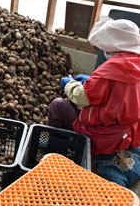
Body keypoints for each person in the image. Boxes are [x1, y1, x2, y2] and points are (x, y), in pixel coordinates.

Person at [48, 17, 140, 188]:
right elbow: (120, 92)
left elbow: (82, 97)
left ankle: (60, 153)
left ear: (113, 44)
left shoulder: (110, 69)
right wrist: (93, 80)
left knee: (58, 105)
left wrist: (69, 84)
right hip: (129, 131)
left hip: (103, 133)